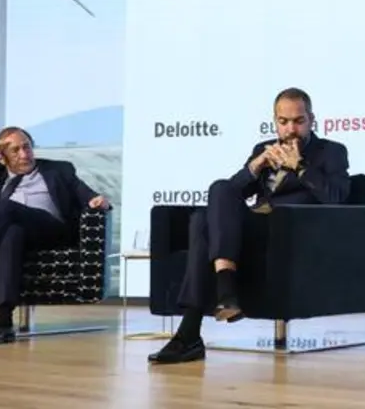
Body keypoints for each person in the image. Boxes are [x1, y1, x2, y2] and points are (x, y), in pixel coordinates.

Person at [148, 87, 351, 365]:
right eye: (283, 122)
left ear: (311, 120)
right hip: (250, 230)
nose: (291, 129)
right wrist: (254, 167)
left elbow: (337, 198)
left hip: (289, 232)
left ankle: (192, 331)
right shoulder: (263, 149)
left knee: (201, 223)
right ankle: (220, 296)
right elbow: (229, 195)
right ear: (275, 121)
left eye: (298, 121)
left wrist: (301, 167)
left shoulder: (331, 151)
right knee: (216, 193)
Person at [0, 126, 111, 345]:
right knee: (11, 233)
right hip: (18, 234)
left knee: (4, 209)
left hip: (51, 231)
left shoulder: (58, 170)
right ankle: (3, 323)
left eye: (27, 147)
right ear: (2, 157)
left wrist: (99, 201)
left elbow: (89, 196)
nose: (24, 154)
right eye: (15, 150)